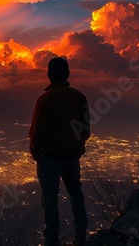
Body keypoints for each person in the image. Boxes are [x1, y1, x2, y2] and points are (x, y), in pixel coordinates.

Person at [29, 57, 90, 246]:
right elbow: (85, 130)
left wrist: (37, 154)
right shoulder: (79, 97)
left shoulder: (45, 99)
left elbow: (36, 132)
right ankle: (81, 237)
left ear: (49, 75)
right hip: (71, 157)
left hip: (49, 158)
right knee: (76, 194)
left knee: (49, 200)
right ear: (68, 74)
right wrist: (76, 146)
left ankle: (51, 241)